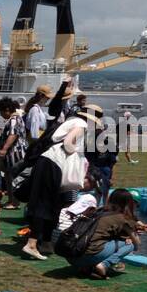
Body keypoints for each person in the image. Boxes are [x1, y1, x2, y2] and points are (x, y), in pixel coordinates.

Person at [22, 101, 99, 260]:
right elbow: (68, 143)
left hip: (49, 162)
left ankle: (45, 242)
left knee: (50, 203)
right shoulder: (81, 124)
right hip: (53, 163)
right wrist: (75, 155)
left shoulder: (72, 121)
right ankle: (32, 243)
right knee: (45, 203)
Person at [70, 188, 147, 279]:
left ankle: (85, 267)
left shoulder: (99, 210)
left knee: (99, 242)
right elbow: (137, 243)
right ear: (128, 203)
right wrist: (131, 237)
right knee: (130, 245)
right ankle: (104, 265)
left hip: (72, 255)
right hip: (87, 257)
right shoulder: (122, 217)